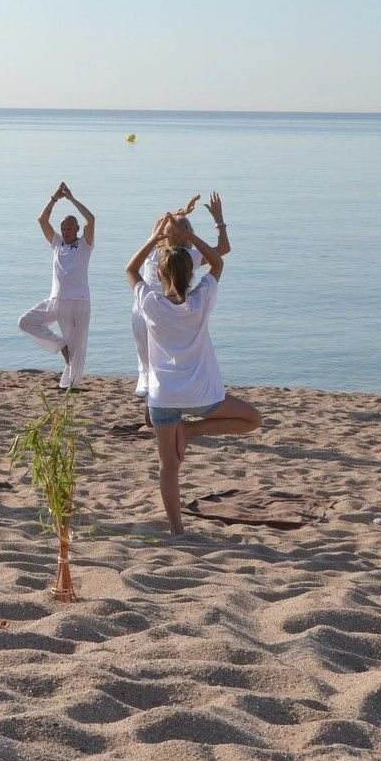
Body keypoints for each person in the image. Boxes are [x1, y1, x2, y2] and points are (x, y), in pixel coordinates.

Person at [127, 208, 262, 534]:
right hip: (201, 396)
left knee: (168, 467)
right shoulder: (200, 301)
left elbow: (130, 269)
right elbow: (217, 263)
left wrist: (155, 238)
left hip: (162, 398)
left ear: (158, 273)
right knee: (253, 419)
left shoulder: (151, 304)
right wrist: (189, 236)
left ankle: (177, 530)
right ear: (191, 274)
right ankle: (192, 431)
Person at [132, 194, 229, 397]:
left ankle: (150, 396)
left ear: (162, 234)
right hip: (172, 310)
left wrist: (181, 213)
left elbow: (132, 268)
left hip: (145, 308)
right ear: (188, 234)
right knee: (166, 359)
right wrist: (218, 220)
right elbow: (222, 250)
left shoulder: (153, 250)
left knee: (147, 362)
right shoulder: (189, 258)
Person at [17, 183, 95, 389]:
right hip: (56, 300)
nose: (66, 232)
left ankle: (70, 385)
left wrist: (71, 198)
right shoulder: (57, 243)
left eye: (69, 228)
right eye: (63, 228)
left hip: (79, 302)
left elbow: (91, 219)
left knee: (77, 347)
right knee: (25, 322)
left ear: (77, 229)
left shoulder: (84, 245)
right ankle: (60, 345)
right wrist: (54, 198)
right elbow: (42, 220)